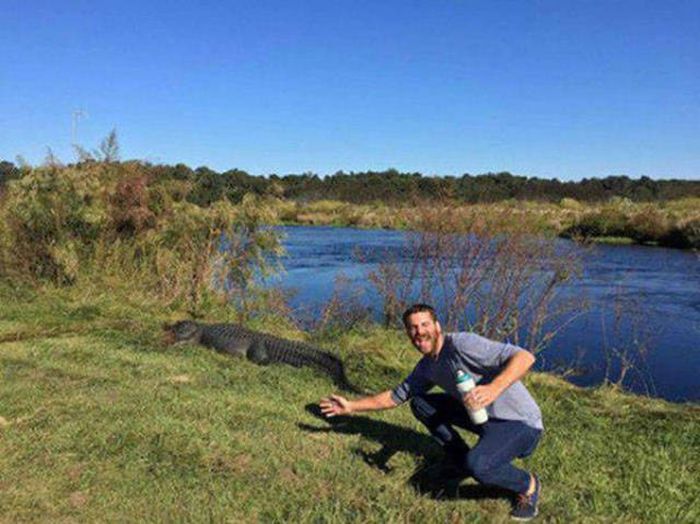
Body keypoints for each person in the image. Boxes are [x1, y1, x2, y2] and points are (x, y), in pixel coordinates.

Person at [319, 303, 543, 521]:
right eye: (413, 328)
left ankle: (528, 485)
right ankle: (459, 460)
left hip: (519, 422)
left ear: (437, 326)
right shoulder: (427, 366)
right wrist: (350, 406)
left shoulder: (463, 344)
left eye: (424, 324)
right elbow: (394, 396)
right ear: (408, 333)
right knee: (420, 403)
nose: (419, 332)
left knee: (479, 465)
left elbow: (525, 357)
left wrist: (493, 389)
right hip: (480, 415)